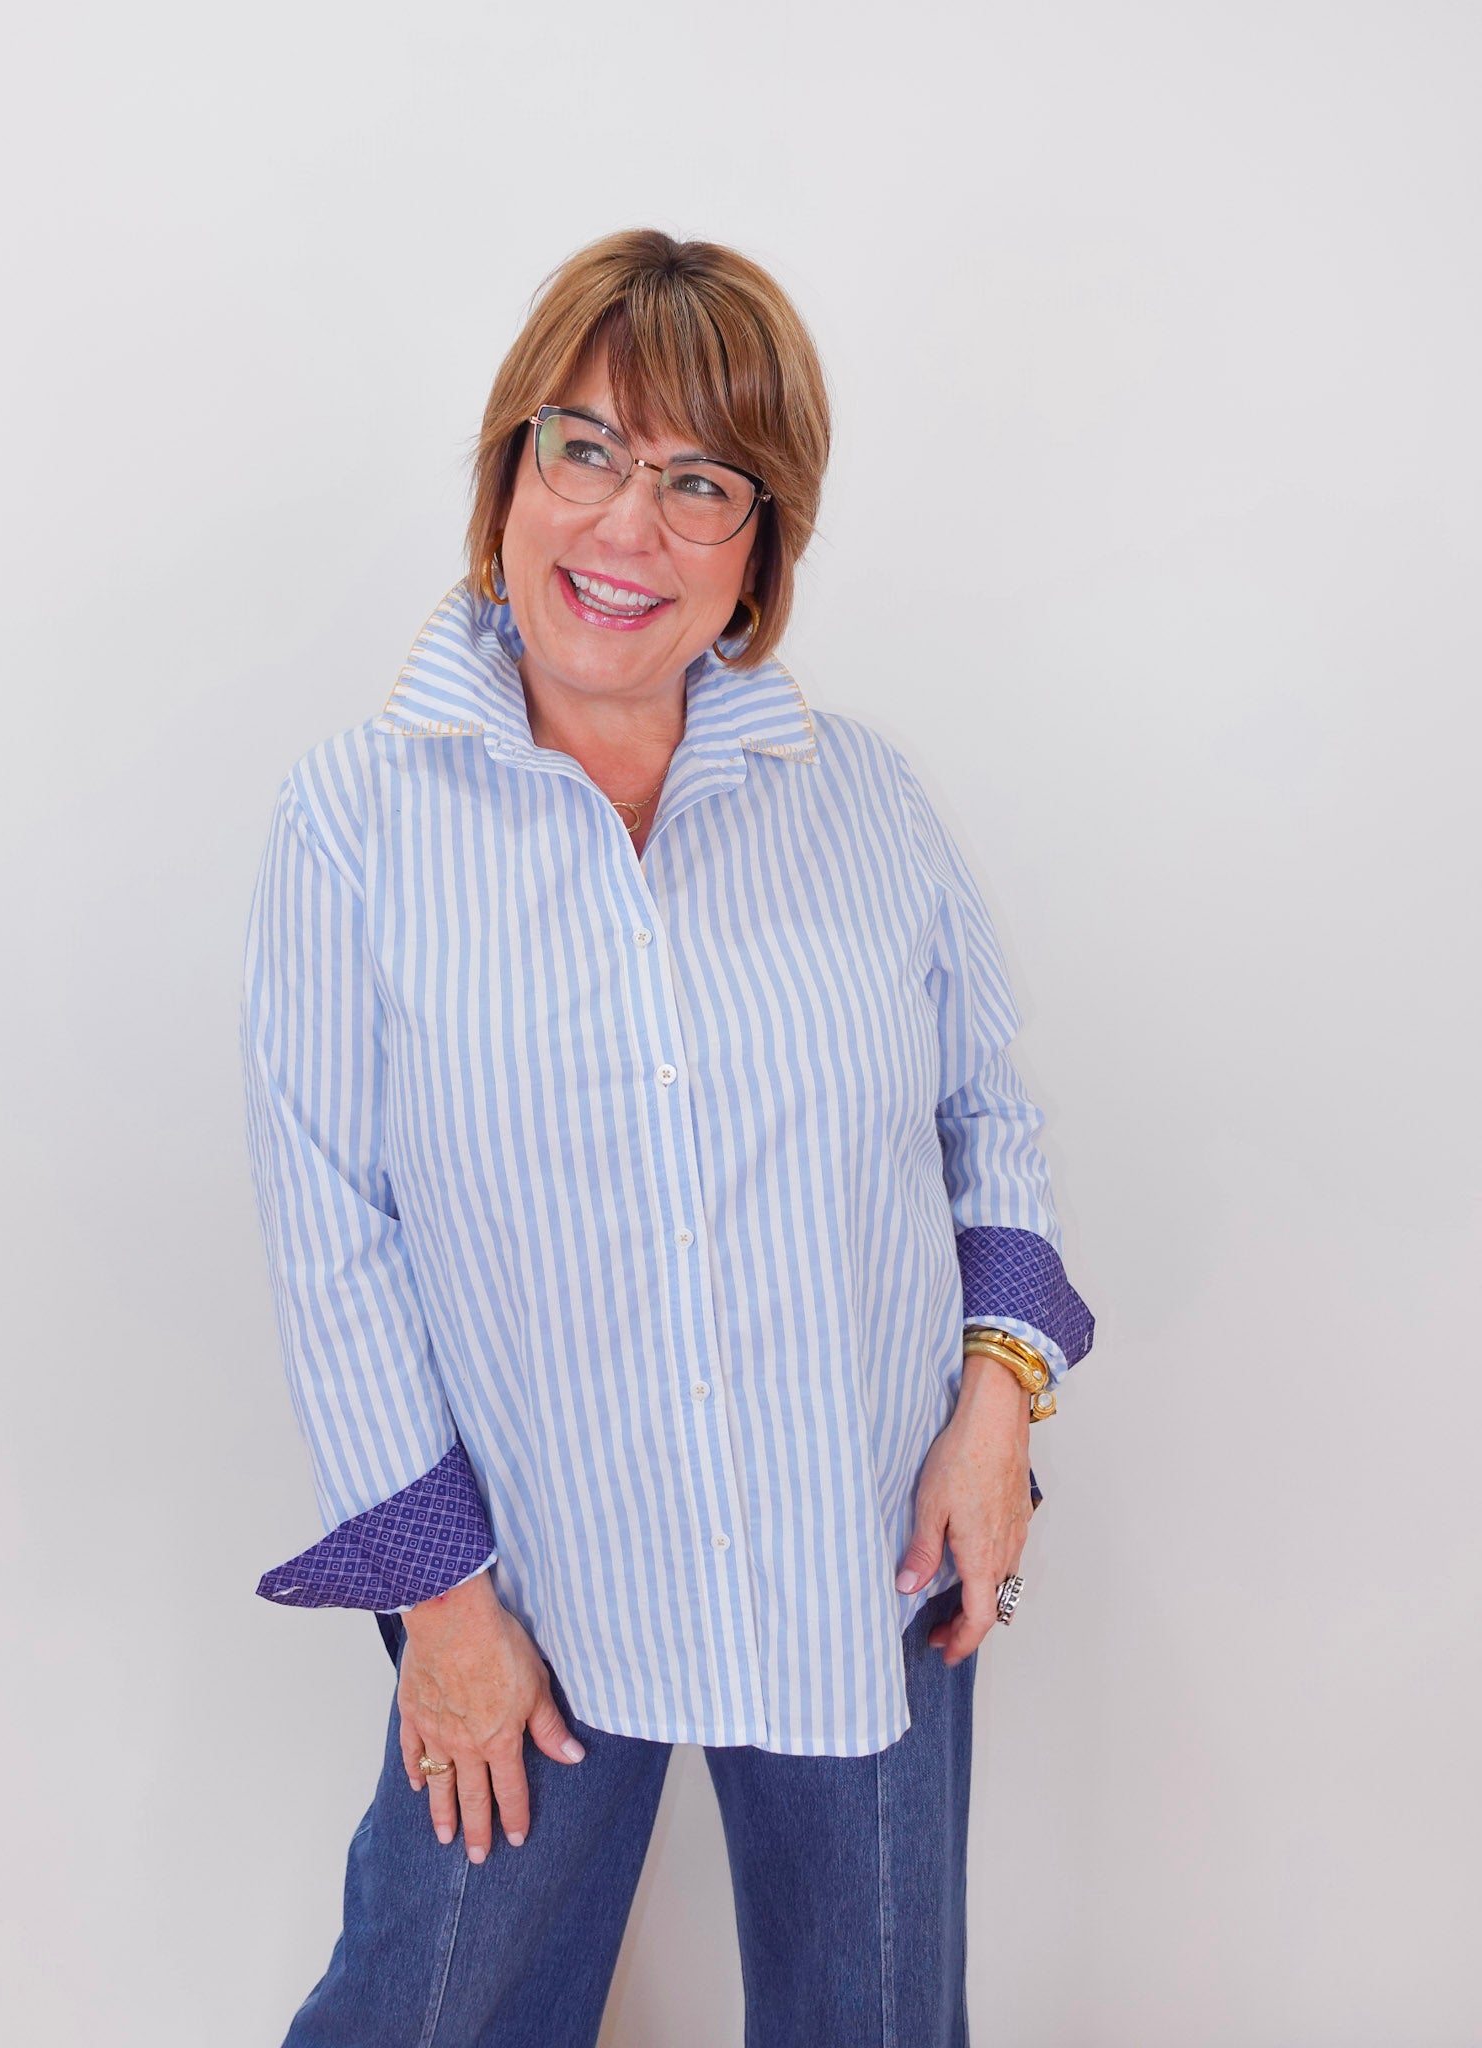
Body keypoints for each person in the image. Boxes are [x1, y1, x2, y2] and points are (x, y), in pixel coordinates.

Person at [241, 227, 1095, 2048]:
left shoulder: (859, 802)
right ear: (508, 473)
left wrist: (1000, 1403)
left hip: (860, 1548)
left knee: (874, 2025)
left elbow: (987, 1113)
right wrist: (446, 1614)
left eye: (698, 481)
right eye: (585, 449)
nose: (626, 528)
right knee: (425, 2013)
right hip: (530, 1588)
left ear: (759, 546)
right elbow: (333, 1242)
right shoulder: (356, 827)